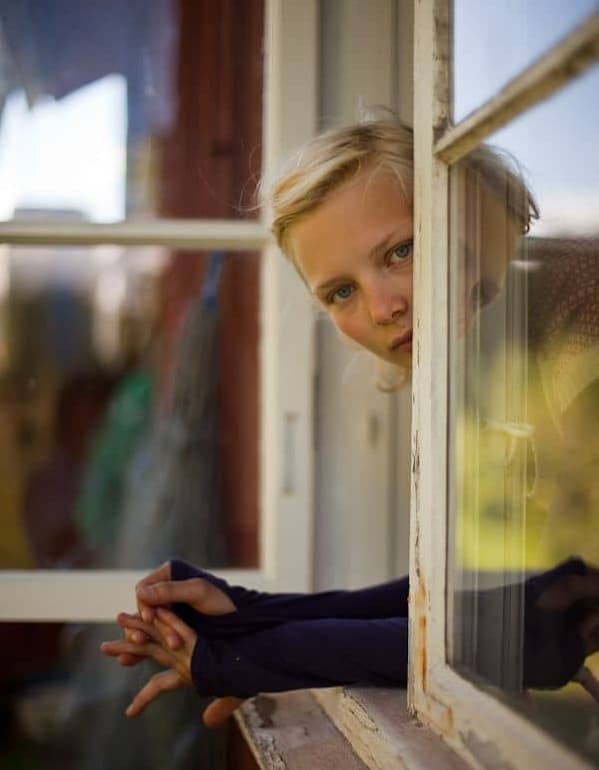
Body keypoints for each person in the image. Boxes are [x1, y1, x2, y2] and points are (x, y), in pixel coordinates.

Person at [100, 118, 599, 728]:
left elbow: (558, 617)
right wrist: (250, 614)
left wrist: (244, 658)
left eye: (401, 250)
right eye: (340, 292)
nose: (384, 307)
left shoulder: (575, 335)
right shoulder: (472, 370)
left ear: (456, 215)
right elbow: (458, 610)